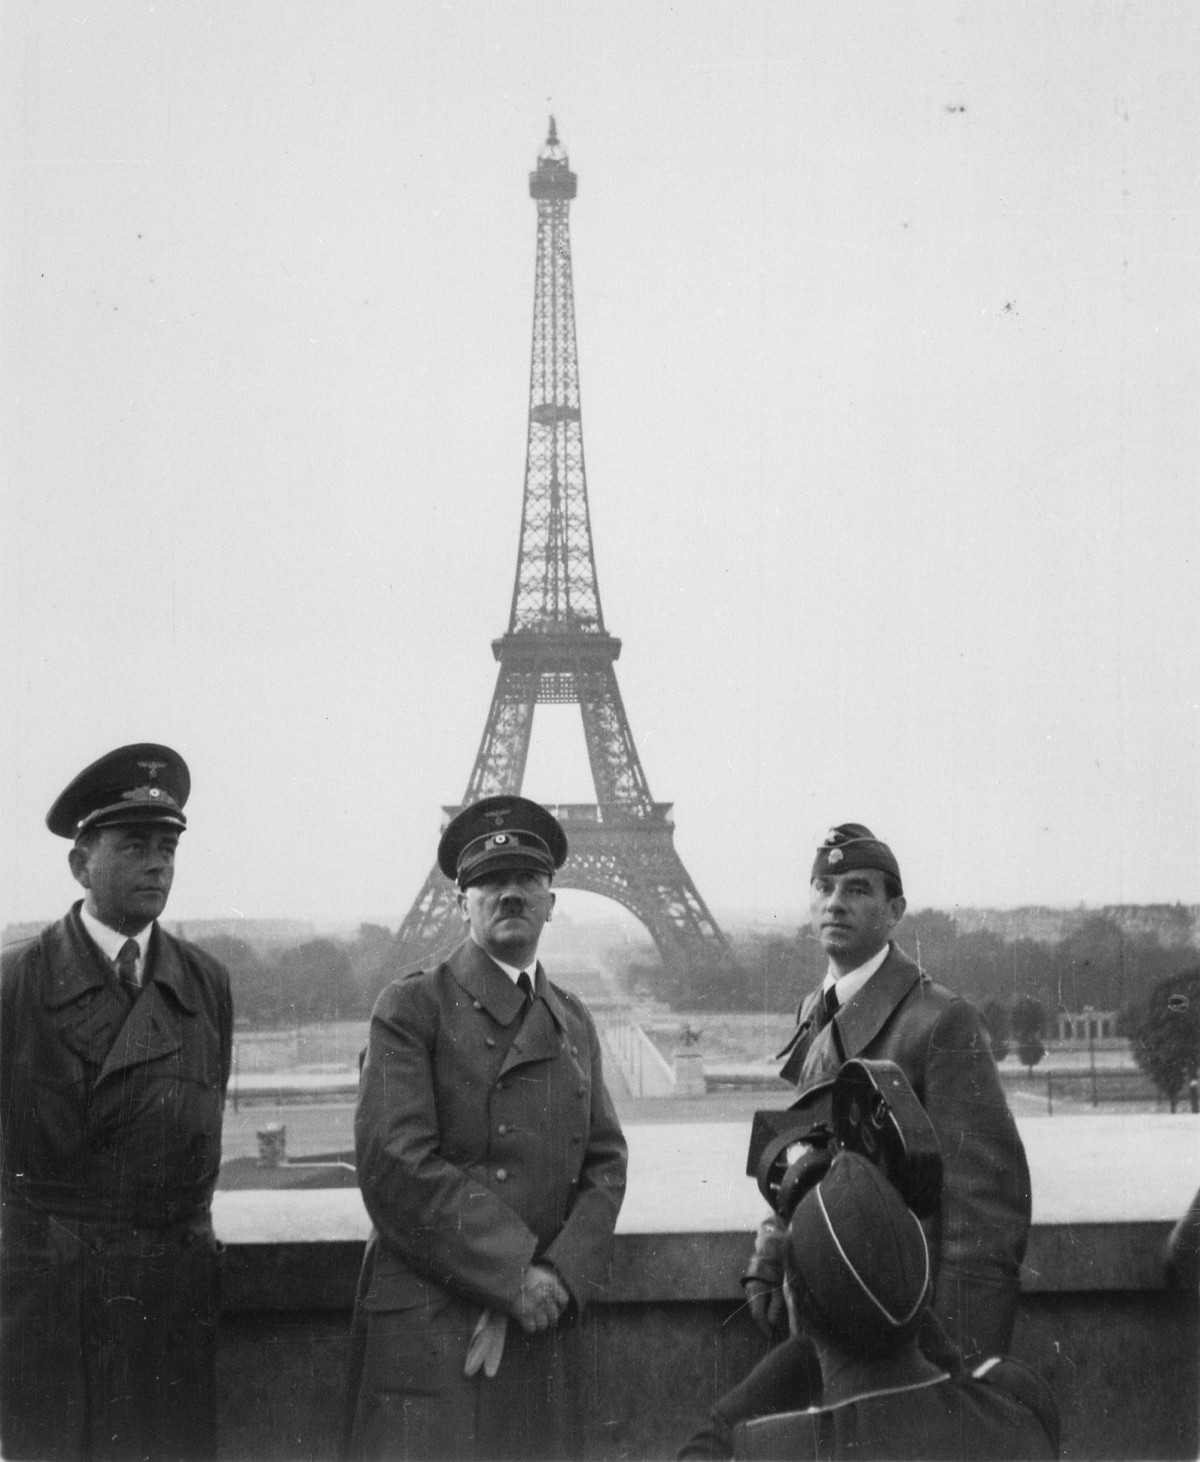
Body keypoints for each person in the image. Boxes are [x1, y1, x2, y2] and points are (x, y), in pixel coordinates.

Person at [345, 795, 628, 1461]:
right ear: (461, 901)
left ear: (551, 900)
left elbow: (605, 1161)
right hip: (440, 1323)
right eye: (491, 881)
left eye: (527, 879)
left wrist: (557, 1275)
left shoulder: (572, 1016)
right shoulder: (410, 1007)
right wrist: (514, 1271)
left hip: (540, 1318)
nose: (511, 894)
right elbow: (393, 1162)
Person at [0, 744, 232, 1461]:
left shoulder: (206, 984)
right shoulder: (16, 985)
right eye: (135, 846)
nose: (158, 864)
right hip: (58, 1313)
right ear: (81, 863)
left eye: (167, 847)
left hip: (170, 1305)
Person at [744, 824, 1030, 1370]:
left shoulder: (941, 1021)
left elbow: (985, 1217)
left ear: (894, 910)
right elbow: (805, 1153)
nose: (835, 904)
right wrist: (770, 1254)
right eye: (823, 888)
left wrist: (959, 1367)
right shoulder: (815, 1008)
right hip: (825, 1314)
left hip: (901, 1337)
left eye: (856, 890)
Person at [683, 1151, 1059, 1460]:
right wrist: (890, 1287)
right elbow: (958, 1377)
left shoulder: (772, 1450)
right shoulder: (1022, 1405)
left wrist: (813, 1321)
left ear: (797, 1310)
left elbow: (706, 1443)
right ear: (921, 1287)